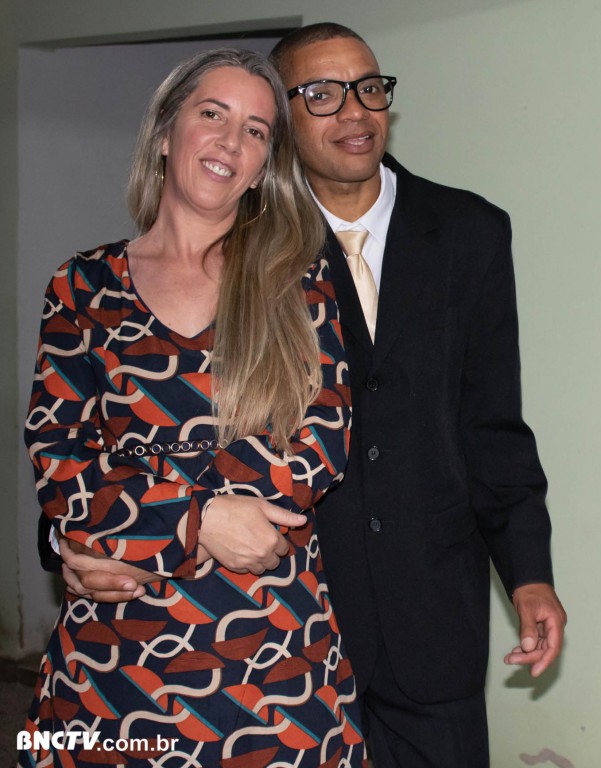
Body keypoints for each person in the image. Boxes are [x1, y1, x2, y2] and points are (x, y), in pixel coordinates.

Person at [58, 23, 568, 768]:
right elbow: (119, 423)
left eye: (369, 88)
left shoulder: (471, 232)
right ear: (285, 127)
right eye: (322, 95)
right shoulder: (239, 243)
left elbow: (490, 424)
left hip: (431, 611)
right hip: (277, 612)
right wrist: (73, 541)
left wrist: (529, 573)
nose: (354, 111)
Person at [22, 47, 365, 767]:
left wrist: (128, 519)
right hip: (112, 660)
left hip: (269, 654)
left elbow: (317, 447)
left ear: (263, 164)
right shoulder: (81, 287)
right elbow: (61, 464)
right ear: (166, 131)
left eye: (255, 131)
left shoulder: (297, 281)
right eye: (213, 114)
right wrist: (198, 520)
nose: (231, 142)